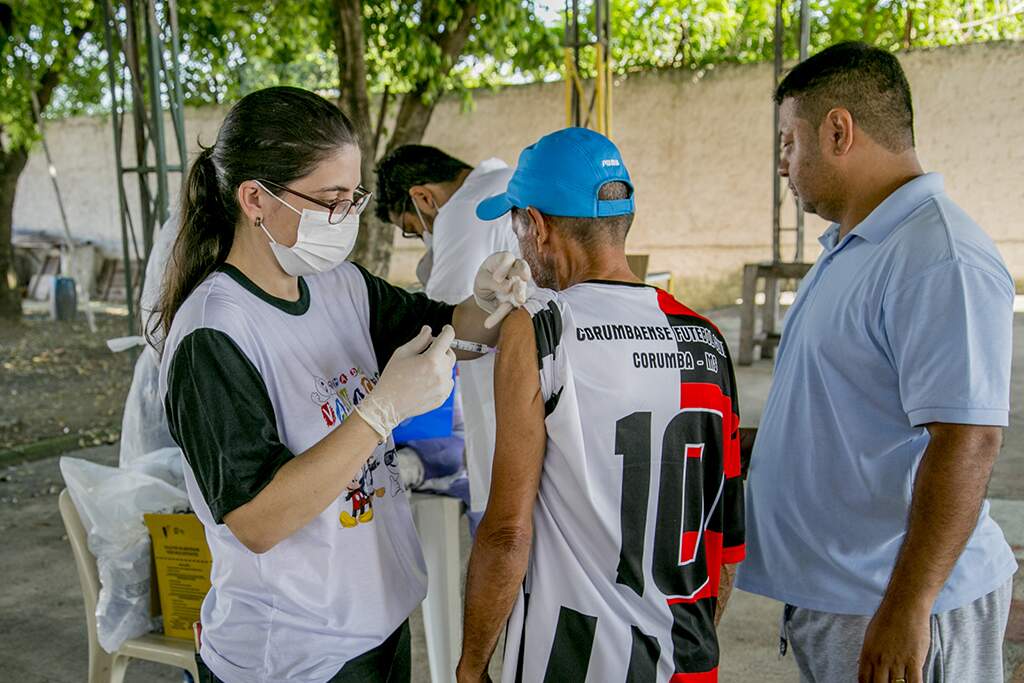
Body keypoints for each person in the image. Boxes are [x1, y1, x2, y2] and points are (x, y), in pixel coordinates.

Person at [153, 86, 529, 683]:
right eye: (330, 199)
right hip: (296, 653)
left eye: (353, 197)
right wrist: (379, 414)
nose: (346, 217)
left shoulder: (338, 285)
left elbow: (445, 328)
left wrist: (486, 303)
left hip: (377, 627)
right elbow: (257, 520)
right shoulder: (216, 333)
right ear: (255, 198)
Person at [735, 42, 1016, 683]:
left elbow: (969, 440)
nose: (783, 164)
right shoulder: (854, 247)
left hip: (902, 604)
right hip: (848, 594)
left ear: (839, 130)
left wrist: (908, 606)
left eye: (788, 141)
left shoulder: (939, 256)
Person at [457, 128, 745, 682]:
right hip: (687, 661)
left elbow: (508, 532)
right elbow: (723, 538)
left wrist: (471, 667)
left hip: (570, 662)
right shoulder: (707, 339)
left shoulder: (542, 332)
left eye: (515, 223)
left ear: (536, 227)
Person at [375, 145, 520, 528]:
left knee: (502, 526)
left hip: (508, 397)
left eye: (412, 227)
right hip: (539, 384)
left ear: (422, 197)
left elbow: (438, 330)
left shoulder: (463, 210)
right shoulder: (502, 179)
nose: (420, 236)